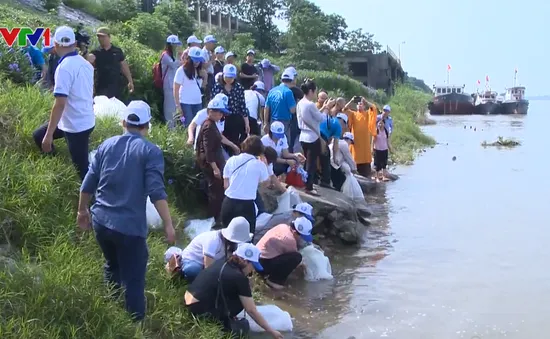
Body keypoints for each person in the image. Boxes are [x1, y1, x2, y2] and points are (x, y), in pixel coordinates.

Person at [78, 100, 175, 321]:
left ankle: (111, 315)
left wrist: (82, 211)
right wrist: (168, 224)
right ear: (147, 126)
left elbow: (89, 182)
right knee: (134, 280)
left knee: (112, 265)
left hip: (101, 221)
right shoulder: (150, 152)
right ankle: (135, 326)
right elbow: (156, 191)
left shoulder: (107, 144)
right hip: (129, 228)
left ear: (123, 122)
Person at [32, 26, 95, 181]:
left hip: (76, 126)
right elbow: (91, 91)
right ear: (74, 44)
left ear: (56, 44)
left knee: (82, 169)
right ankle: (57, 171)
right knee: (38, 135)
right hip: (82, 119)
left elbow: (60, 103)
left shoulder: (64, 68)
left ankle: (94, 202)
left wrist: (49, 136)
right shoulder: (85, 63)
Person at [185, 243, 284, 339]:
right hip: (199, 312)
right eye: (252, 265)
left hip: (188, 300)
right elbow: (251, 310)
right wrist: (271, 331)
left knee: (238, 296)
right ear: (245, 261)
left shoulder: (223, 260)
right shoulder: (239, 278)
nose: (252, 270)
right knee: (242, 312)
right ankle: (221, 324)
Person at [166, 217, 252, 283]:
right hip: (192, 261)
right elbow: (208, 267)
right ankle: (184, 276)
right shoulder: (213, 240)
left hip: (208, 264)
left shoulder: (230, 244)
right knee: (193, 271)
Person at [221, 136, 270, 237]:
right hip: (246, 205)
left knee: (226, 237)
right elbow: (266, 184)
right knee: (247, 237)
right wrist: (265, 165)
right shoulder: (259, 165)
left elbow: (226, 185)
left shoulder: (231, 160)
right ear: (259, 151)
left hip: (228, 203)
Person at [195, 95, 233, 220]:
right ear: (211, 112)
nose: (221, 115)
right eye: (220, 113)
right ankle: (215, 218)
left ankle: (217, 216)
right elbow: (208, 149)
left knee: (217, 190)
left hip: (215, 161)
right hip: (210, 164)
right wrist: (215, 168)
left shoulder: (212, 124)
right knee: (216, 191)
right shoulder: (209, 126)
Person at [256, 216, 313, 290]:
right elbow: (294, 261)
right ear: (295, 232)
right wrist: (303, 266)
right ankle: (274, 281)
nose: (301, 239)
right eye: (301, 236)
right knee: (297, 257)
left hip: (256, 258)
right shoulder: (289, 240)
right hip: (262, 265)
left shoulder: (282, 226)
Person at [297, 79, 332, 196]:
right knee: (311, 164)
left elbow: (313, 115)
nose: (316, 94)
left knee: (307, 161)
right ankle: (309, 187)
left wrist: (323, 108)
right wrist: (327, 108)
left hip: (303, 136)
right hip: (312, 137)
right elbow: (321, 118)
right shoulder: (310, 104)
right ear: (311, 91)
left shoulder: (300, 103)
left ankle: (306, 183)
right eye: (315, 91)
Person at [212, 64, 250, 155]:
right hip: (220, 117)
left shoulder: (239, 88)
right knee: (220, 139)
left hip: (234, 118)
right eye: (227, 76)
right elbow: (212, 104)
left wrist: (247, 123)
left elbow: (242, 106)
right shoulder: (217, 87)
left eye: (232, 77)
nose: (229, 79)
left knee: (234, 140)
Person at [87, 27, 133, 100]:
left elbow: (124, 66)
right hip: (101, 87)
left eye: (103, 36)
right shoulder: (95, 52)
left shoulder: (117, 51)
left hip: (116, 86)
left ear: (109, 36)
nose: (100, 39)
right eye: (99, 37)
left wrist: (130, 81)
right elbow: (89, 70)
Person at [344, 96, 378, 178]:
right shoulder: (353, 114)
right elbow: (344, 109)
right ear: (356, 106)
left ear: (364, 106)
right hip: (355, 142)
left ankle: (367, 176)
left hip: (365, 142)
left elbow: (374, 108)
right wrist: (351, 100)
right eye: (358, 104)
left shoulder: (367, 114)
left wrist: (366, 102)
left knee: (365, 161)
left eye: (362, 104)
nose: (360, 105)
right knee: (354, 159)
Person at [174, 46, 206, 127]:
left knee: (198, 125)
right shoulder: (181, 70)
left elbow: (202, 88)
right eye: (194, 60)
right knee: (188, 125)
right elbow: (176, 89)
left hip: (198, 102)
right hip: (185, 103)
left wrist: (205, 78)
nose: (196, 63)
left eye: (198, 61)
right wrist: (178, 106)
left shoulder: (200, 71)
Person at [263, 68, 297, 142]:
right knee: (284, 144)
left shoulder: (272, 91)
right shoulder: (288, 92)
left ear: (281, 79)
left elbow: (266, 108)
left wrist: (265, 123)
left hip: (273, 121)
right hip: (284, 123)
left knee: (273, 142)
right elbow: (292, 110)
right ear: (292, 80)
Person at [318, 108, 346, 189]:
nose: (344, 127)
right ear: (342, 122)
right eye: (344, 124)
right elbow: (335, 145)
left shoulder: (330, 119)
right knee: (326, 158)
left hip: (314, 133)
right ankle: (325, 181)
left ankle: (313, 178)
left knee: (313, 158)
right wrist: (334, 158)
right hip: (321, 136)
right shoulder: (338, 126)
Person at [161, 35, 183, 128]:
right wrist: (179, 57)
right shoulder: (165, 55)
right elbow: (174, 65)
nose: (176, 47)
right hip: (168, 84)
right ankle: (169, 128)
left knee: (174, 107)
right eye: (174, 45)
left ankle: (173, 126)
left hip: (173, 84)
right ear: (170, 44)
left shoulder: (171, 55)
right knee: (169, 108)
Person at [202, 35, 217, 101]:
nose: (213, 44)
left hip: (211, 75)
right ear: (207, 43)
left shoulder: (210, 53)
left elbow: (212, 65)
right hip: (206, 76)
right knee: (208, 96)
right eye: (212, 42)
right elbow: (204, 66)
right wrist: (211, 60)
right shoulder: (203, 52)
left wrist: (213, 60)